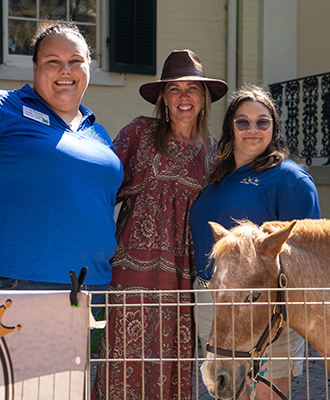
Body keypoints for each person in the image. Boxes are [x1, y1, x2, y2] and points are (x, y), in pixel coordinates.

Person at [0, 21, 124, 306]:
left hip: (87, 288)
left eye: (75, 61)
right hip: (12, 282)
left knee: (73, 355)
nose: (65, 70)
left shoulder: (98, 133)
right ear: (35, 69)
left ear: (88, 67)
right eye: (53, 61)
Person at [92, 50, 228, 400]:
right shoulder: (140, 133)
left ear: (203, 99)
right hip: (130, 273)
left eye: (193, 89)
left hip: (182, 278)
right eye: (175, 89)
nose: (184, 97)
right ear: (164, 99)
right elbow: (100, 186)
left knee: (174, 359)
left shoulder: (215, 154)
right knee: (123, 359)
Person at [190, 84, 321, 399]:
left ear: (274, 128)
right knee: (225, 392)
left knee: (266, 394)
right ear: (230, 128)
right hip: (213, 301)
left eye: (262, 122)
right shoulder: (216, 177)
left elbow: (306, 255)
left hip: (264, 307)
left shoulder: (290, 179)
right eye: (242, 122)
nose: (252, 129)